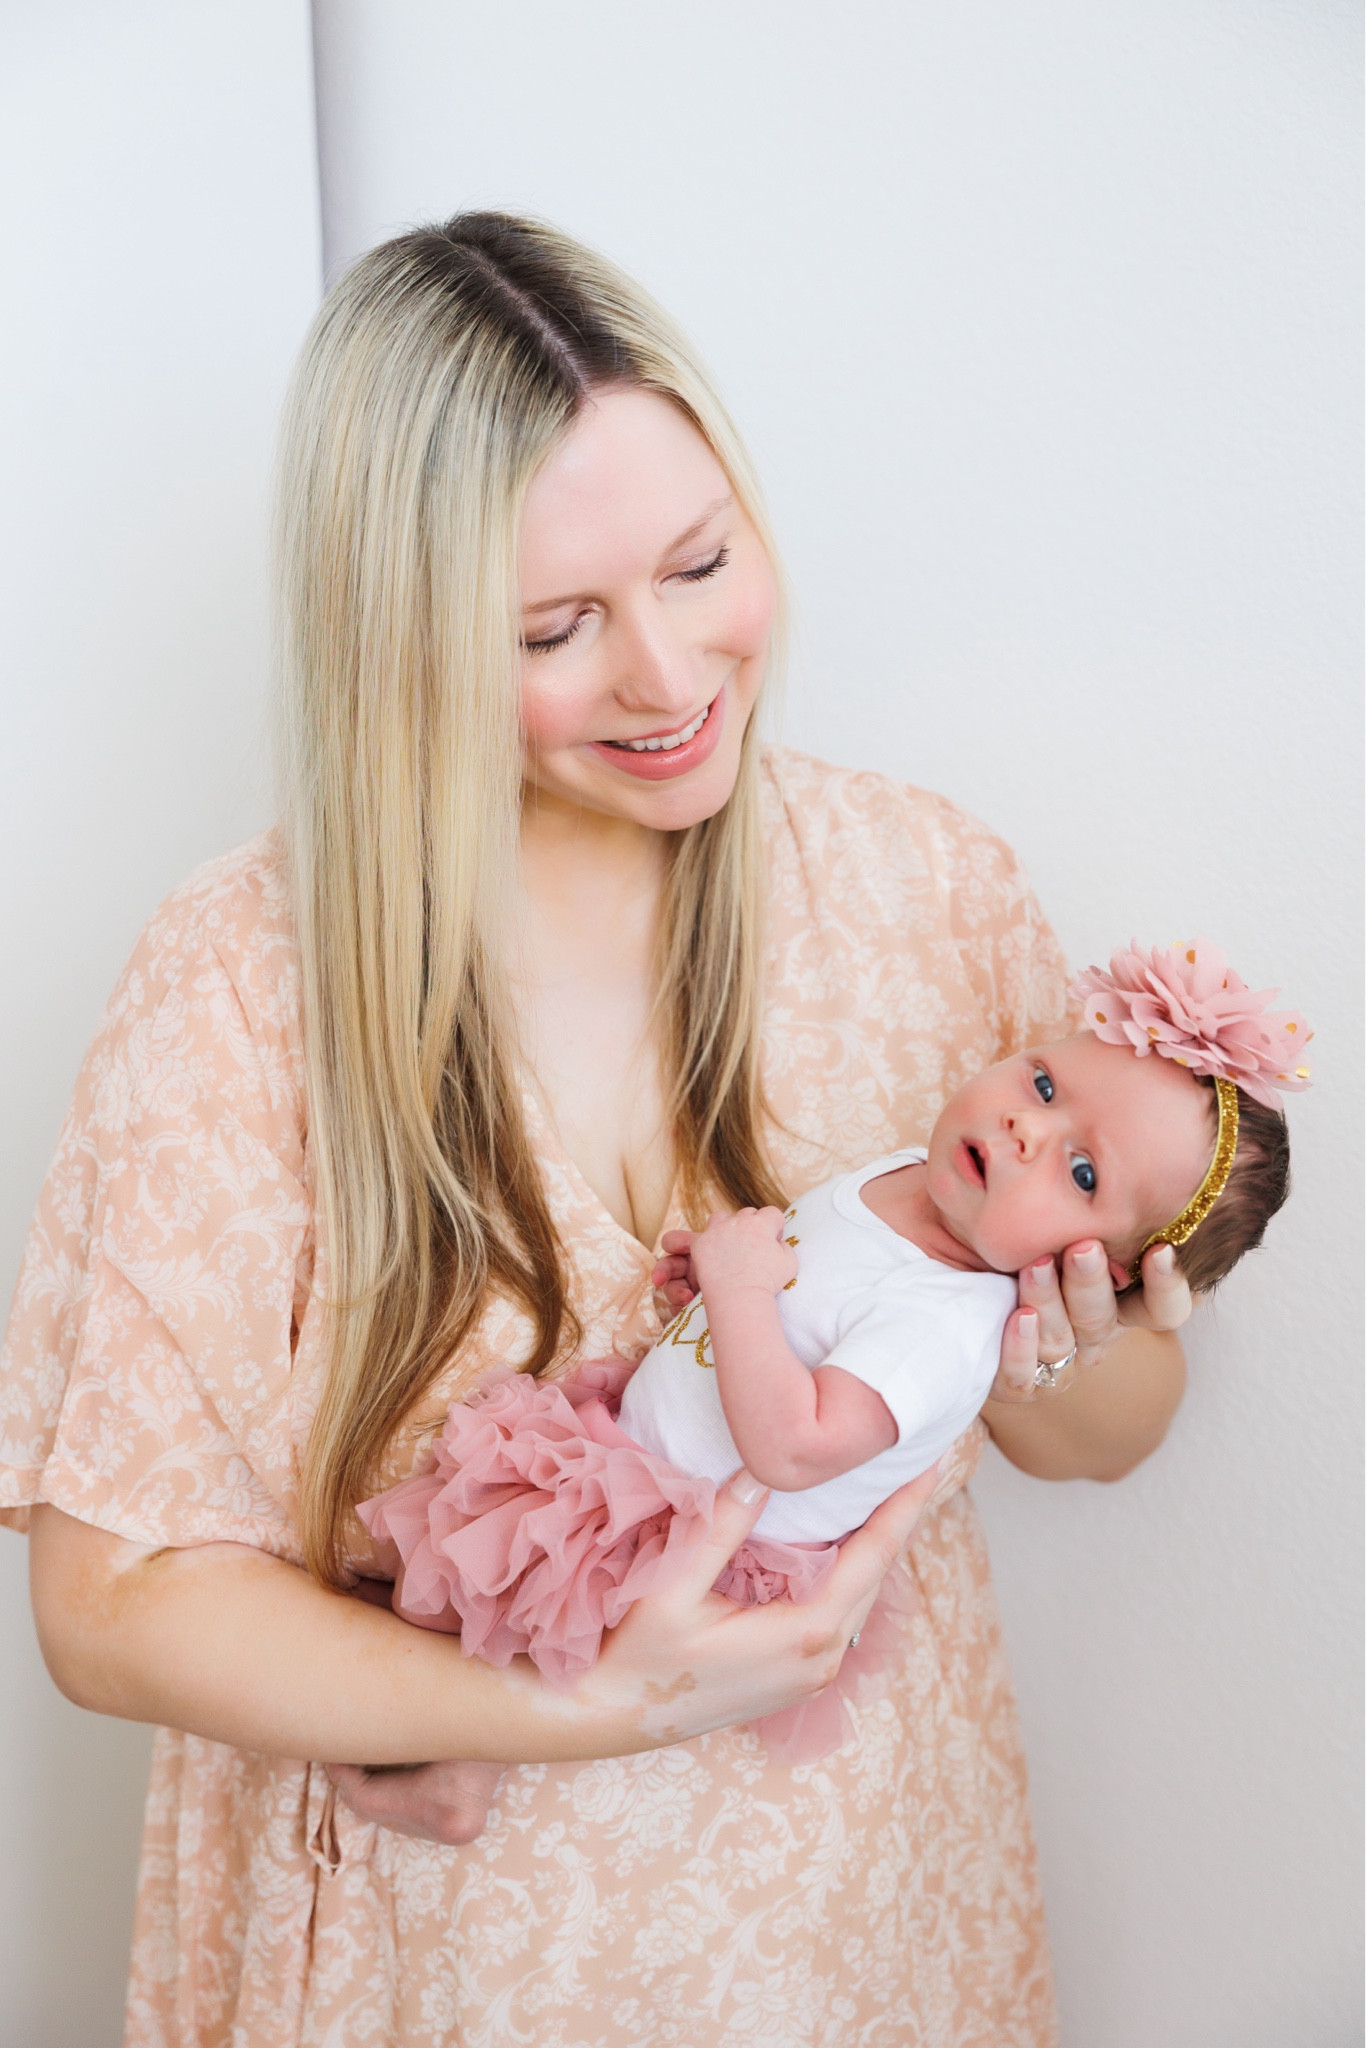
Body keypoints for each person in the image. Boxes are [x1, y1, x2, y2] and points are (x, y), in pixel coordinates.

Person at [1, 213, 1196, 2046]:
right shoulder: (245, 980)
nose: (669, 673)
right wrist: (551, 1705)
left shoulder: (919, 887)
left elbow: (1099, 1436)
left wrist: (1060, 1350)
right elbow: (112, 1601)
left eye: (700, 561)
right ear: (395, 648)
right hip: (457, 1959)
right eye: (555, 628)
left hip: (861, 1931)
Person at [362, 941, 1303, 1799]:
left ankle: (457, 1772)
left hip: (688, 1544)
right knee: (436, 1591)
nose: (1026, 1130)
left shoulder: (943, 1327)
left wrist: (737, 1295)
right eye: (1047, 1085)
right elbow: (812, 1295)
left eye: (1083, 1173)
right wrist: (717, 1291)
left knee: (494, 1628)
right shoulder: (919, 1182)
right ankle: (405, 1723)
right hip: (648, 1461)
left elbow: (796, 1445)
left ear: (1100, 1268)